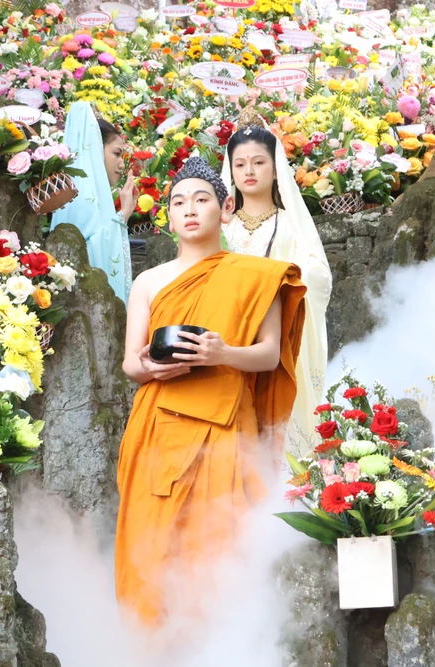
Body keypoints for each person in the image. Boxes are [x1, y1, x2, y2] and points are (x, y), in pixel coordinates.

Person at [115, 157, 307, 629]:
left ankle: (222, 642)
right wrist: (154, 369)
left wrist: (220, 353)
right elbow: (130, 362)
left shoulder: (258, 275)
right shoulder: (149, 280)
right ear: (167, 215)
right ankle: (151, 645)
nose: (190, 210)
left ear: (226, 208)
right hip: (159, 422)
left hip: (226, 424)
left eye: (201, 199)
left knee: (221, 536)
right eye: (179, 202)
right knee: (153, 537)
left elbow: (267, 355)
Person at [221, 108, 333, 460]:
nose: (249, 172)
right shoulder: (222, 225)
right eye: (240, 165)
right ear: (230, 170)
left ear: (275, 169)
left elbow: (319, 276)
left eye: (258, 162)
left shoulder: (290, 224)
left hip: (281, 337)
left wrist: (279, 281)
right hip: (229, 335)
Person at [50, 102, 139, 305]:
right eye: (116, 154)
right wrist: (123, 215)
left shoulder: (80, 191)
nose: (121, 164)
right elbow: (87, 254)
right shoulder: (82, 196)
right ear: (96, 149)